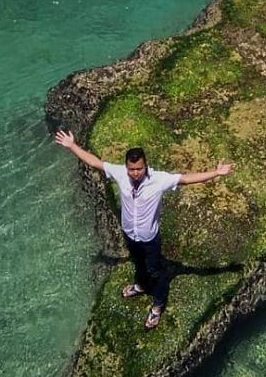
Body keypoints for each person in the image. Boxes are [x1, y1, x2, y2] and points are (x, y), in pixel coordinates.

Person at [54, 128, 233, 329]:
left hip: (150, 239)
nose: (135, 173)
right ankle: (140, 285)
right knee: (138, 264)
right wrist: (72, 146)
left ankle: (158, 304)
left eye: (139, 168)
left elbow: (185, 179)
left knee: (156, 272)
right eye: (132, 169)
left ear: (145, 165)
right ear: (126, 166)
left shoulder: (159, 180)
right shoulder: (120, 173)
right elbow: (94, 162)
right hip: (130, 235)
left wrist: (216, 173)